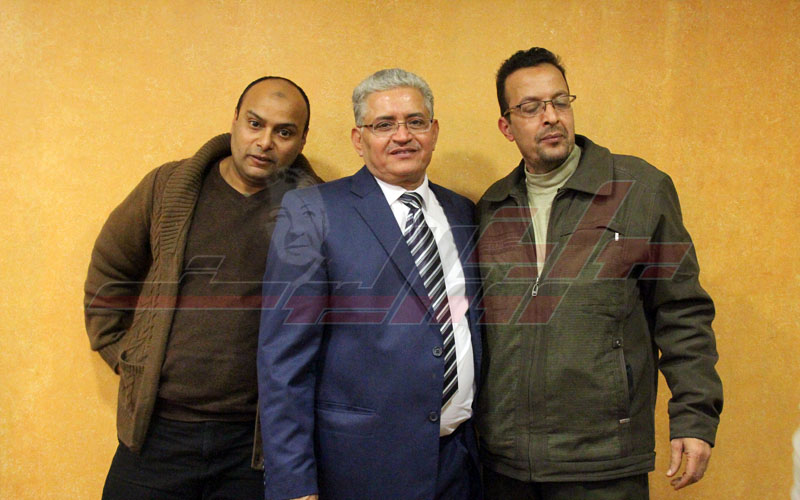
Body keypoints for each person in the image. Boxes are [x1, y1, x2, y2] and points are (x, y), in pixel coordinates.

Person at [475, 47, 723, 499]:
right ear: (506, 127)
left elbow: (682, 312)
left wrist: (694, 417)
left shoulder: (638, 189)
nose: (551, 116)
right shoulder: (492, 207)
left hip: (603, 460)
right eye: (531, 107)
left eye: (560, 101)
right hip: (505, 464)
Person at [84, 76, 322, 499]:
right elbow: (110, 269)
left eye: (284, 132)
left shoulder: (319, 209)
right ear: (234, 121)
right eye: (255, 123)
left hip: (256, 445)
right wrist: (126, 356)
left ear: (302, 140)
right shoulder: (169, 187)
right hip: (158, 434)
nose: (264, 142)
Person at [258, 68, 482, 500]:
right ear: (358, 139)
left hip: (457, 465)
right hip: (360, 469)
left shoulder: (462, 211)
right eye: (383, 125)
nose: (403, 136)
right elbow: (283, 364)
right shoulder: (311, 212)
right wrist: (294, 485)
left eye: (415, 121)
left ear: (434, 131)